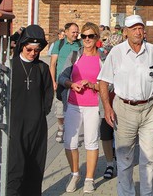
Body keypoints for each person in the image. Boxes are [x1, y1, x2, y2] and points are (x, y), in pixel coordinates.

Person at [97, 14, 153, 196]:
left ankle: (148, 194)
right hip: (124, 109)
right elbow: (103, 82)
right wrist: (107, 108)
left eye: (140, 28)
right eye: (133, 29)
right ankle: (126, 193)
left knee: (150, 158)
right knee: (125, 157)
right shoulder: (116, 52)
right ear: (126, 32)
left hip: (150, 109)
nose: (138, 32)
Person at [7, 25, 53, 195]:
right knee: (15, 166)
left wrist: (41, 113)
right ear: (22, 46)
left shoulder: (42, 68)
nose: (33, 53)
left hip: (36, 127)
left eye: (37, 50)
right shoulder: (9, 66)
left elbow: (48, 93)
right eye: (29, 49)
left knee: (35, 167)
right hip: (15, 125)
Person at [58, 22, 104, 194]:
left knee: (91, 142)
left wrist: (93, 85)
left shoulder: (103, 58)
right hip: (73, 104)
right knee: (70, 141)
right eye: (83, 36)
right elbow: (62, 77)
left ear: (97, 38)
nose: (86, 39)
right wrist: (72, 84)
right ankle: (75, 173)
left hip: (93, 106)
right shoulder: (75, 55)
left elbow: (110, 85)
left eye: (90, 36)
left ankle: (89, 179)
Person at [50, 22, 81, 143]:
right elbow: (52, 64)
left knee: (73, 109)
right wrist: (53, 80)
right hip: (61, 81)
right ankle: (60, 127)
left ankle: (71, 131)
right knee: (59, 110)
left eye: (77, 32)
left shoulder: (80, 44)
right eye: (73, 32)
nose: (75, 34)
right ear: (66, 32)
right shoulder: (59, 44)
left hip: (75, 82)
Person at [99, 33, 124, 180]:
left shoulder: (127, 58)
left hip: (122, 101)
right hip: (106, 101)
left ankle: (121, 162)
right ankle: (109, 163)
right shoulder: (102, 59)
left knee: (122, 135)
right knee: (106, 134)